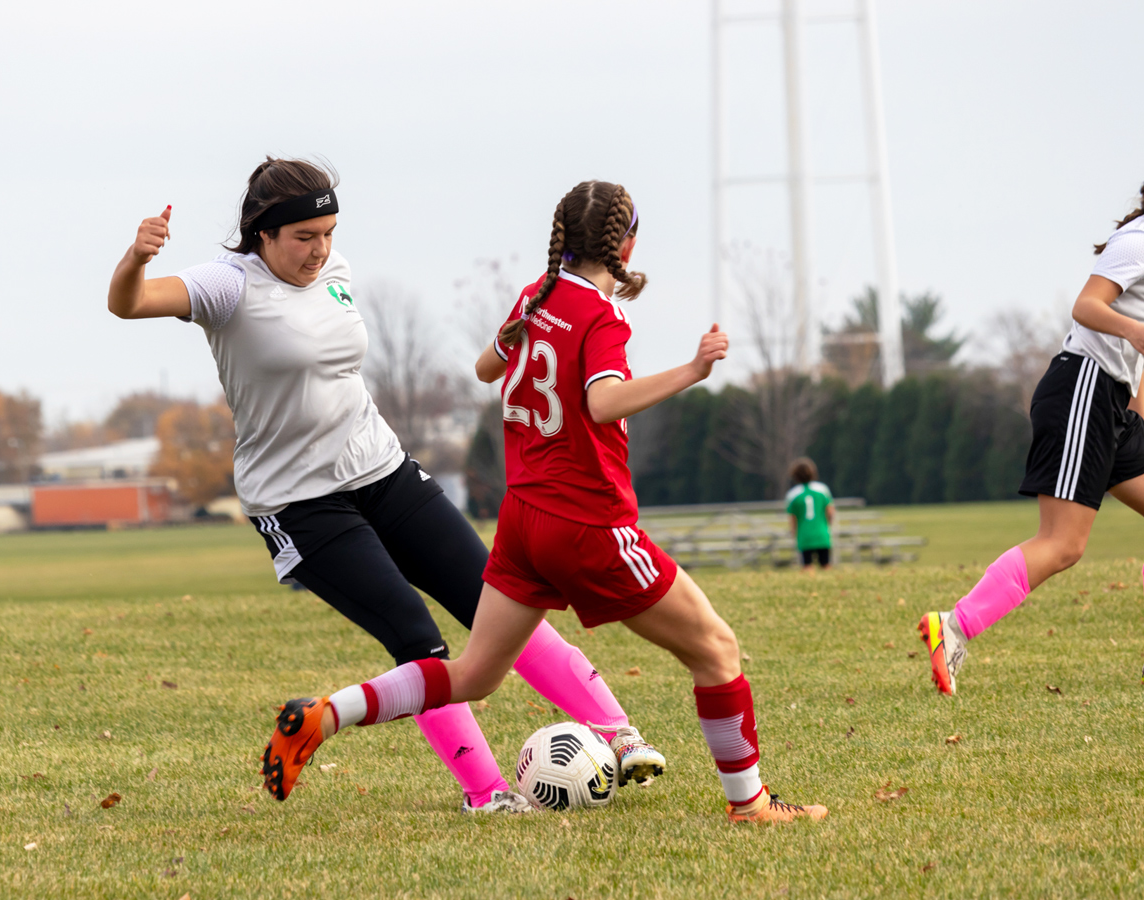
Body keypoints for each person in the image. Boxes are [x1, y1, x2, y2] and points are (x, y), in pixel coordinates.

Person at [106, 158, 664, 813]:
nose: (320, 251)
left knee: (499, 600)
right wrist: (134, 259)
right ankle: (485, 795)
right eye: (303, 237)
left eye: (329, 233)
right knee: (415, 636)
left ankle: (619, 734)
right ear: (262, 232)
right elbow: (130, 303)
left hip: (384, 471)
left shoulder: (335, 273)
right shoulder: (228, 286)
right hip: (300, 503)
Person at [263, 180, 828, 823]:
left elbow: (484, 367)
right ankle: (750, 805)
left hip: (524, 520)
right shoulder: (603, 316)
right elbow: (602, 401)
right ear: (626, 243)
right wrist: (692, 371)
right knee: (717, 651)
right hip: (589, 524)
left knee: (474, 673)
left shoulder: (538, 294)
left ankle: (328, 713)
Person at [921, 182, 1144, 695]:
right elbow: (1086, 307)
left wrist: (1134, 419)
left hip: (1110, 406)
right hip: (1082, 391)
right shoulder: (1137, 240)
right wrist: (1131, 332)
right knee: (1062, 544)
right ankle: (952, 627)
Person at [785, 457, 834, 569]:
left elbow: (792, 519)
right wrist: (828, 526)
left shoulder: (793, 494)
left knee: (807, 565)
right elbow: (830, 512)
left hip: (804, 534)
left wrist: (794, 533)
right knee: (825, 564)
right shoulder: (822, 489)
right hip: (821, 532)